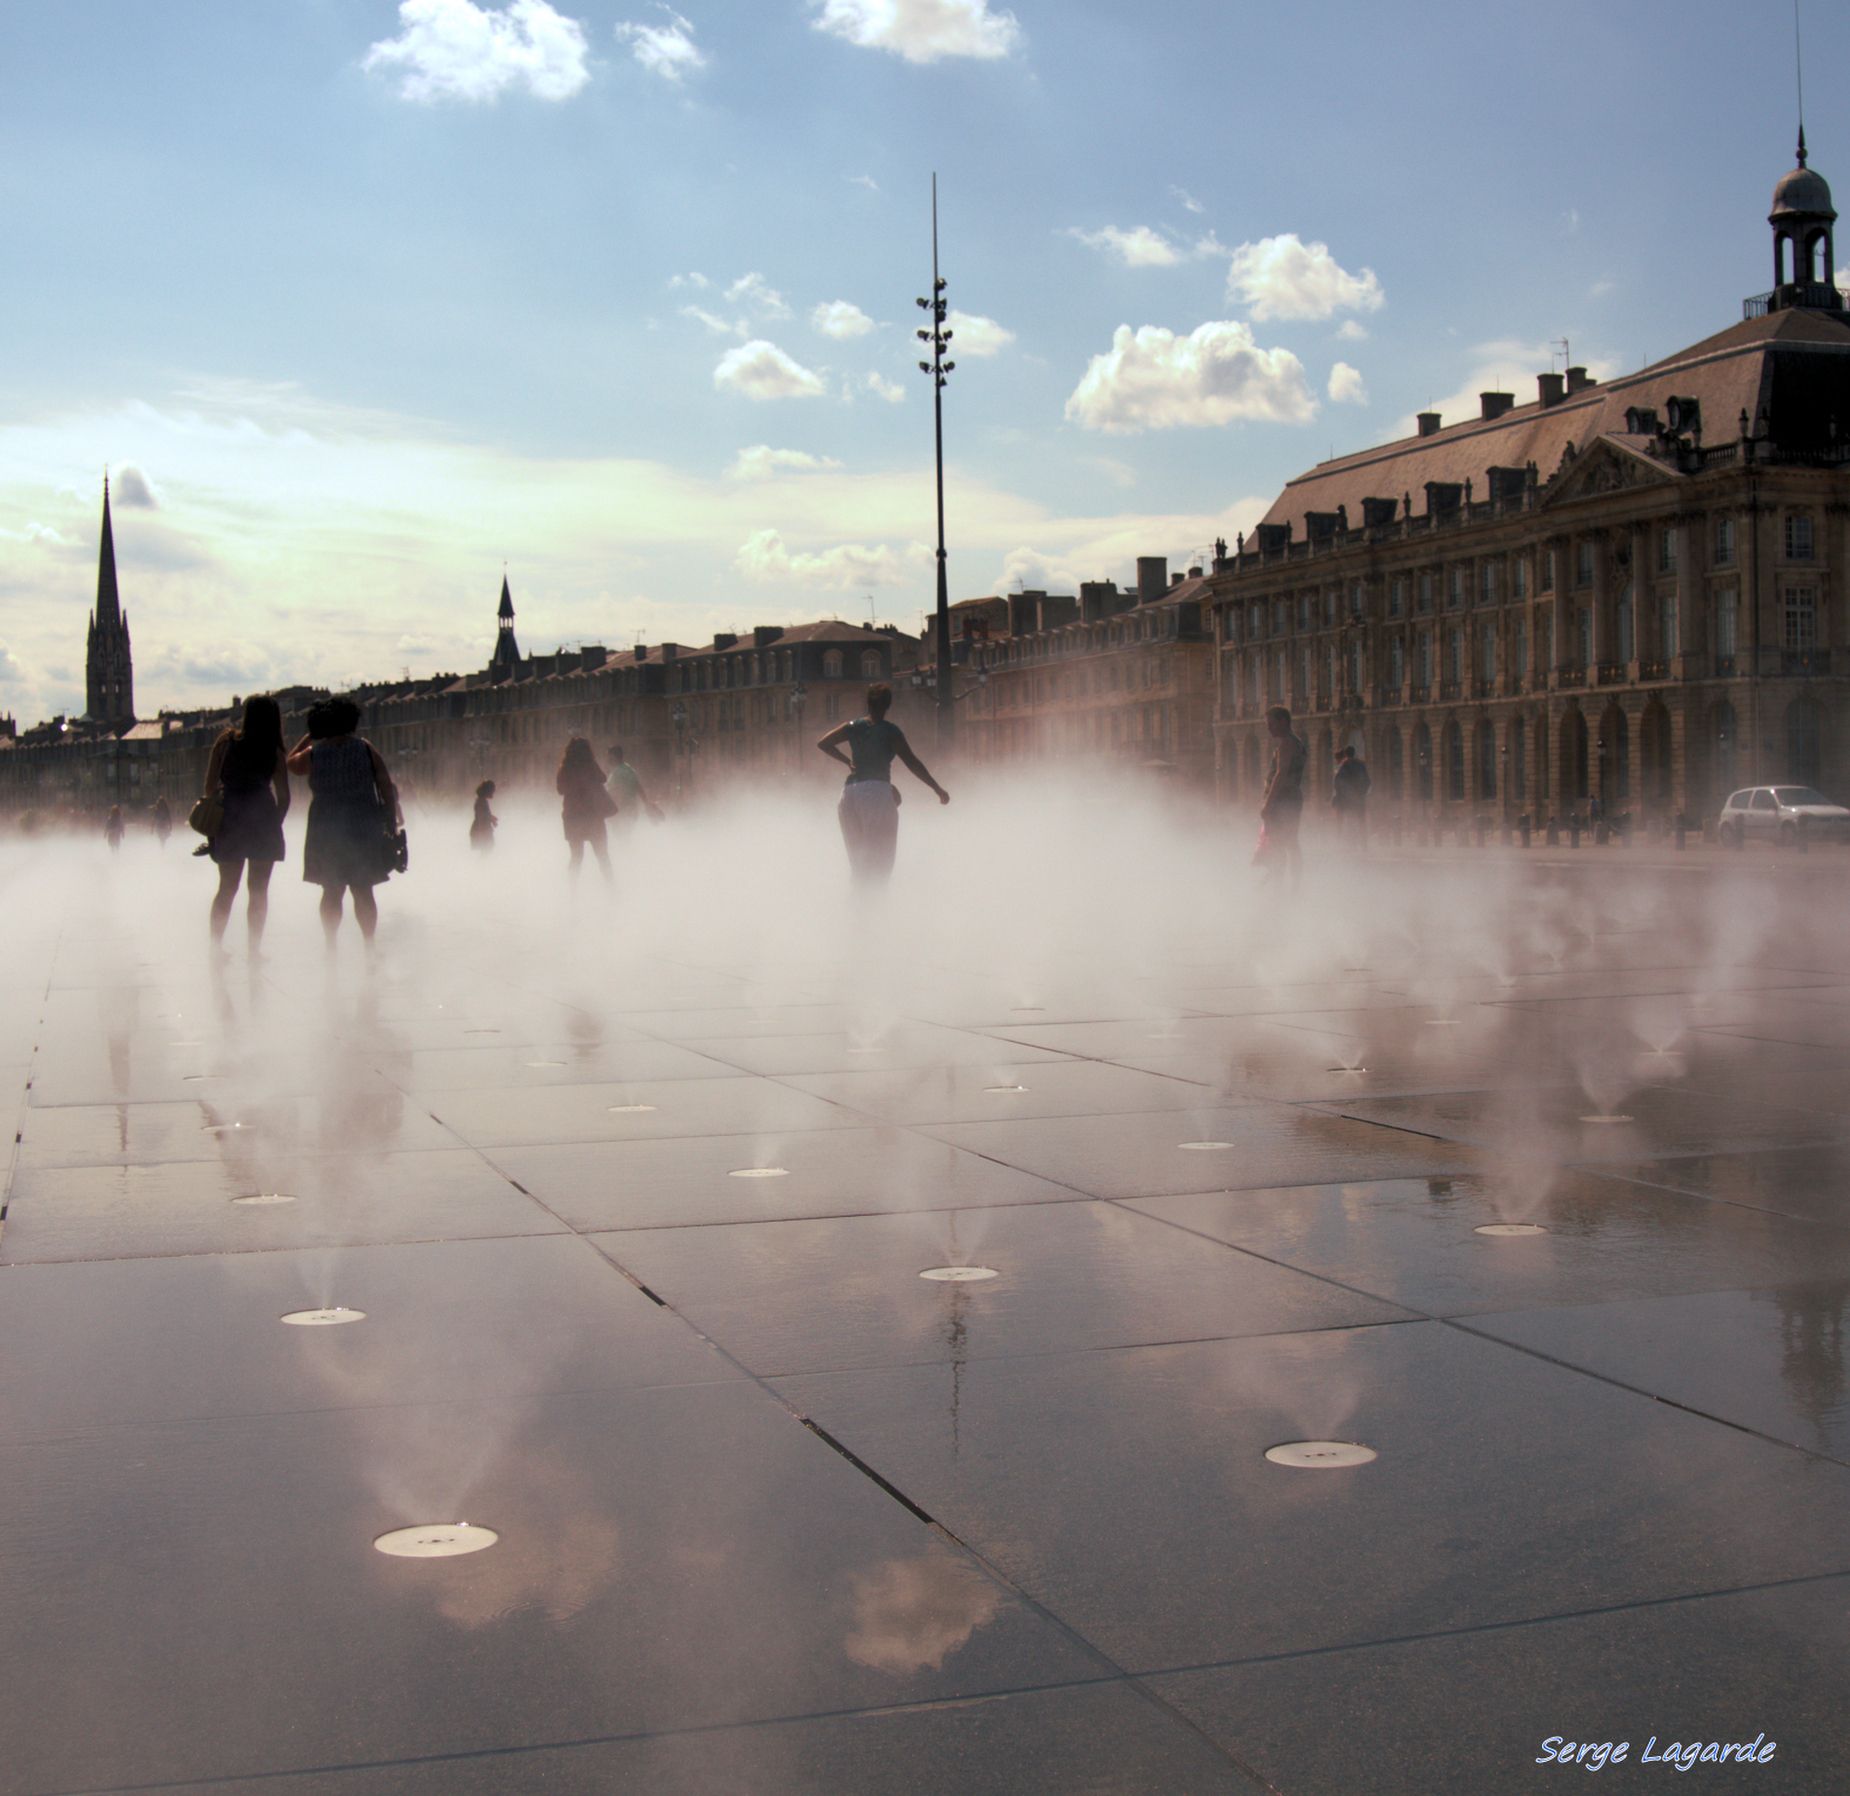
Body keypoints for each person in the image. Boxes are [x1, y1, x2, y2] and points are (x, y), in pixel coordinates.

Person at [286, 696, 399, 946]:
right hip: (363, 824)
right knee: (363, 889)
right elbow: (385, 784)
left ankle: (330, 943)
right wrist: (390, 817)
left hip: (326, 829)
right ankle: (369, 942)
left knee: (332, 889)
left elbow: (290, 763)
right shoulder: (365, 748)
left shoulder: (314, 754)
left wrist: (310, 735)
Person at [816, 682, 948, 883]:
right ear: (888, 705)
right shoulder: (890, 731)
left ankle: (857, 910)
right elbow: (912, 762)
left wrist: (848, 762)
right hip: (876, 793)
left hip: (848, 794)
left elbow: (823, 743)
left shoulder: (853, 727)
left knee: (858, 865)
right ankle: (877, 909)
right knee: (880, 862)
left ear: (867, 704)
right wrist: (937, 788)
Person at [204, 695, 290, 949]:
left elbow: (209, 788)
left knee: (227, 889)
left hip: (230, 819)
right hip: (263, 819)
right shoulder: (273, 750)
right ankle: (253, 949)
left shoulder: (225, 743)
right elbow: (284, 796)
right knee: (259, 891)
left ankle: (215, 947)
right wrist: (275, 823)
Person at [1257, 704, 1307, 890]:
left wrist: (1268, 804)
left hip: (1282, 800)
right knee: (1291, 843)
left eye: (1271, 724)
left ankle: (1278, 883)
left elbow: (1280, 774)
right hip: (1292, 798)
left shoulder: (1287, 744)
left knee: (1279, 843)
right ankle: (1294, 884)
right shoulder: (1297, 743)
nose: (1269, 728)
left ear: (1283, 721)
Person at [556, 736, 614, 881]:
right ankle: (612, 891)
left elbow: (560, 789)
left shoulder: (565, 768)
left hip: (572, 816)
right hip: (592, 815)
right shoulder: (590, 765)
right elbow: (603, 778)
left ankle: (573, 893)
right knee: (602, 856)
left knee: (576, 857)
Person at [605, 745, 660, 826]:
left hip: (620, 813)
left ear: (613, 757)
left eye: (608, 757)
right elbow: (638, 787)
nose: (607, 759)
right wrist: (646, 803)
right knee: (626, 836)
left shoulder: (617, 773)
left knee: (621, 836)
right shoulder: (629, 769)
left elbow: (615, 793)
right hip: (632, 812)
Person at [1331, 745, 1372, 848]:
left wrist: (1339, 797)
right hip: (1360, 798)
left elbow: (1338, 783)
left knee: (1350, 822)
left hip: (1348, 800)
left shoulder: (1344, 765)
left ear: (1345, 754)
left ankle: (1352, 844)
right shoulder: (1361, 765)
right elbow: (1368, 781)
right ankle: (1364, 845)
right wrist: (1362, 793)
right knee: (1361, 822)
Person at [470, 779, 498, 851]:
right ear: (488, 791)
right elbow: (481, 816)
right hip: (480, 830)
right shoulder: (481, 802)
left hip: (481, 830)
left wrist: (491, 818)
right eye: (493, 790)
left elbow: (484, 814)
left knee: (486, 851)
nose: (494, 792)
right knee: (485, 852)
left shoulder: (482, 801)